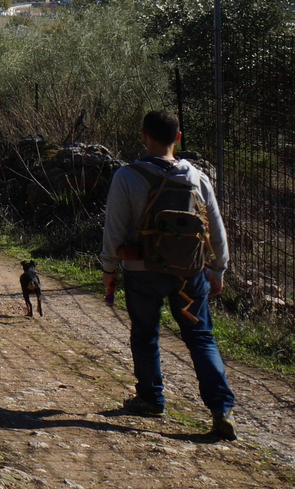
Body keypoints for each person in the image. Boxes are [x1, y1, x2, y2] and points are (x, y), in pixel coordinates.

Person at [101, 109, 236, 439]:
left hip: (141, 272)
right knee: (200, 337)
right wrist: (217, 271)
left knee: (145, 333)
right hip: (188, 276)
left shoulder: (127, 177)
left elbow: (113, 232)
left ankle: (150, 398)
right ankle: (222, 410)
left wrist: (109, 269)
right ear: (178, 138)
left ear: (143, 134)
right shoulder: (197, 177)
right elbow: (216, 231)